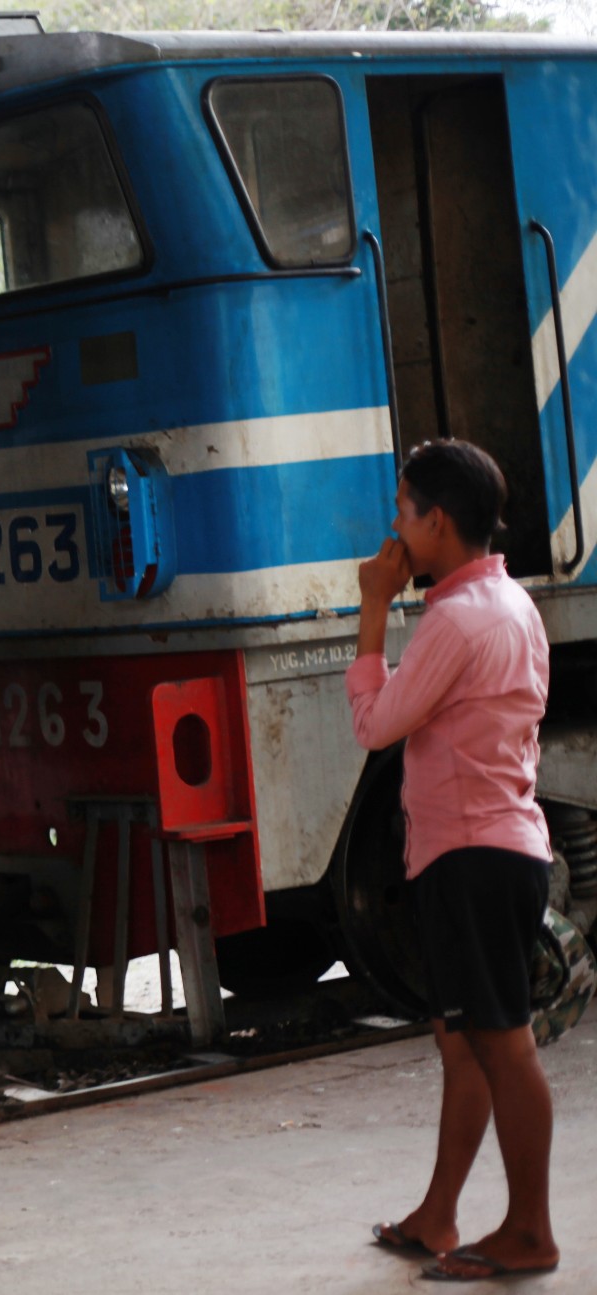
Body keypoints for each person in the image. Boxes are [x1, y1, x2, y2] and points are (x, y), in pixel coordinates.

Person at [348, 440, 558, 1281]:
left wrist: (372, 609)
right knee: (465, 1044)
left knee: (502, 1046)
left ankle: (531, 1231)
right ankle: (440, 1212)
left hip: (472, 856)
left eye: (403, 512)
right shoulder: (510, 604)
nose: (394, 528)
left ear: (437, 521)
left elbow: (375, 725)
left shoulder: (456, 618)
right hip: (492, 845)